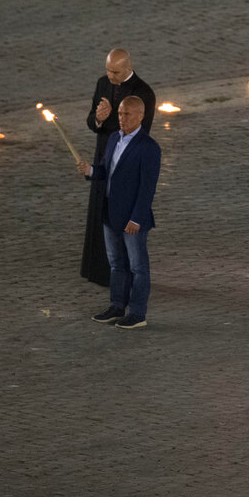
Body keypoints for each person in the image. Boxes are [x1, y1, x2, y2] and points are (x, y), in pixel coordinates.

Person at [76, 96, 161, 329]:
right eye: (120, 114)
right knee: (116, 263)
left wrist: (137, 218)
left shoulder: (149, 148)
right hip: (110, 213)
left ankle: (137, 313)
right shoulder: (114, 138)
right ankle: (116, 306)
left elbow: (147, 188)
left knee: (138, 267)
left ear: (141, 116)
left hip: (132, 219)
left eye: (128, 115)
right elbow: (105, 171)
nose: (122, 119)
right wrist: (91, 170)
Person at [81, 48, 156, 286]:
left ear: (127, 67)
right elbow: (92, 120)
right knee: (100, 214)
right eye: (107, 70)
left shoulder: (143, 92)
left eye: (115, 71)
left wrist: (110, 118)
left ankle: (122, 275)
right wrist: (99, 119)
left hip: (126, 163)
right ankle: (98, 270)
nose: (110, 75)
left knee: (119, 214)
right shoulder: (103, 83)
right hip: (103, 157)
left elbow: (139, 131)